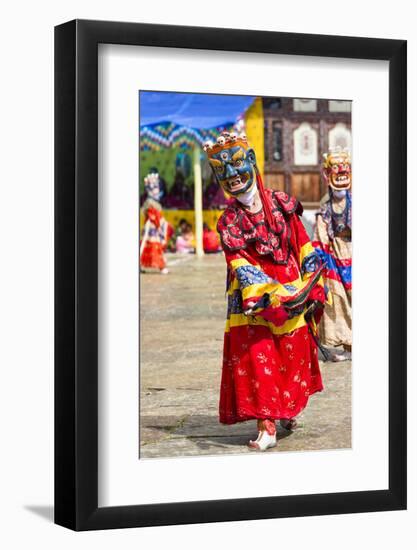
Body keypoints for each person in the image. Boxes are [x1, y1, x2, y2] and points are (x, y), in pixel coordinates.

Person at [203, 131, 328, 451]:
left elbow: (302, 241)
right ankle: (266, 424)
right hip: (254, 300)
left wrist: (312, 278)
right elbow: (238, 260)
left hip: (291, 293)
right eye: (222, 171)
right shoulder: (228, 220)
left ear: (253, 162)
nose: (231, 176)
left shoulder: (282, 204)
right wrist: (263, 294)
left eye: (235, 166)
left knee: (291, 356)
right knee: (259, 360)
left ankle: (286, 410)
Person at [313, 148, 352, 361]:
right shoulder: (325, 206)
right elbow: (320, 234)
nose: (341, 173)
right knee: (337, 300)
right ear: (328, 175)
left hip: (354, 254)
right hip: (335, 259)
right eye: (336, 170)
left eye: (345, 170)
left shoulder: (355, 201)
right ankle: (345, 343)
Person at [140, 172, 170, 274]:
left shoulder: (155, 202)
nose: (156, 190)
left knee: (154, 246)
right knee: (150, 246)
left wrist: (162, 223)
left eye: (157, 187)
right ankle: (158, 266)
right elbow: (150, 215)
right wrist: (158, 222)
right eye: (154, 188)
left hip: (155, 227)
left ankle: (147, 265)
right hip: (150, 228)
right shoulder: (149, 202)